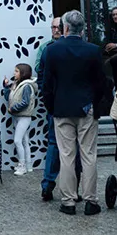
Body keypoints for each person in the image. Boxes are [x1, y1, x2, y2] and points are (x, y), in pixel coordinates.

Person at [40, 10, 109, 216]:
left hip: (62, 108)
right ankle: (91, 200)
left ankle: (68, 201)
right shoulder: (93, 50)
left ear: (65, 28)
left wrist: (51, 107)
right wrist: (95, 105)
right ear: (82, 28)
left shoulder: (52, 50)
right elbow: (101, 83)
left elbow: (47, 84)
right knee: (88, 155)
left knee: (66, 155)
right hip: (86, 107)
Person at [35, 16, 64, 201]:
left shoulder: (50, 50)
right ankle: (49, 185)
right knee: (55, 144)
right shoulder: (45, 48)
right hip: (56, 104)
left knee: (60, 145)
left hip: (59, 103)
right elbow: (40, 73)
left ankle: (53, 185)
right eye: (53, 27)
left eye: (58, 27)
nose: (56, 30)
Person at [6, 64, 38, 175]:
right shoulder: (17, 85)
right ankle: (28, 165)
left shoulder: (26, 86)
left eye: (16, 71)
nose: (14, 73)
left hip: (24, 116)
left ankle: (22, 166)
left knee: (17, 141)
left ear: (23, 73)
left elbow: (25, 102)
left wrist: (12, 109)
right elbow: (9, 98)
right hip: (18, 116)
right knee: (25, 141)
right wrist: (7, 87)